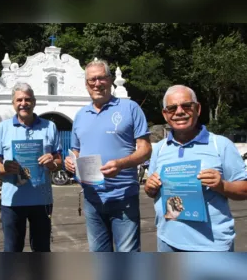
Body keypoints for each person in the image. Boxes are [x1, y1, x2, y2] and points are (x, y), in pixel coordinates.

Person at [145, 85, 247, 252]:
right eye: (172, 108)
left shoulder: (220, 145)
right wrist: (150, 188)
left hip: (212, 245)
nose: (179, 112)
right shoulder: (160, 148)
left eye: (186, 105)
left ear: (197, 109)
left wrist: (222, 186)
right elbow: (152, 191)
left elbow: (244, 189)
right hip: (167, 241)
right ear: (165, 114)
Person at [64, 59, 152, 252]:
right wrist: (70, 161)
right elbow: (76, 150)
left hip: (123, 197)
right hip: (92, 198)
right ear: (86, 84)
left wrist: (121, 164)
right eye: (91, 80)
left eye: (101, 78)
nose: (97, 83)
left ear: (110, 80)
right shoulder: (80, 115)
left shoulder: (130, 108)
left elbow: (145, 149)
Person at [0, 82, 62, 252]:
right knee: (12, 249)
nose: (24, 103)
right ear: (13, 103)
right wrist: (5, 167)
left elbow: (59, 160)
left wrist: (51, 162)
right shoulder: (2, 128)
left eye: (28, 99)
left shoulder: (49, 126)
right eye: (19, 100)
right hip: (13, 200)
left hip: (42, 199)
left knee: (42, 248)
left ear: (34, 102)